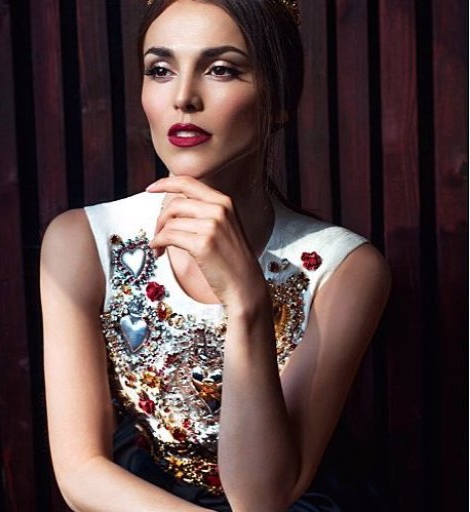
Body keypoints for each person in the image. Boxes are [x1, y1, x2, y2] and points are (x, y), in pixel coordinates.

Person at [40, 0, 391, 510]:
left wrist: (246, 301)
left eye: (221, 69)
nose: (183, 98)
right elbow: (80, 474)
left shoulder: (345, 268)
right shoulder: (81, 241)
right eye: (160, 70)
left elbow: (262, 499)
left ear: (280, 99)